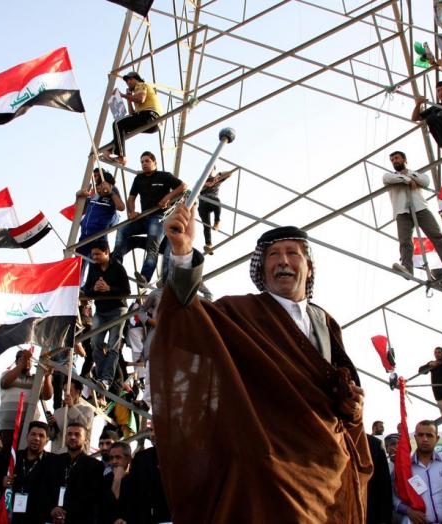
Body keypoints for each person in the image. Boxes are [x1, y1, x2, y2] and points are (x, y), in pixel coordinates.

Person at [152, 206, 373, 522]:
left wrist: (354, 407)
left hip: (325, 464)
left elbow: (341, 393)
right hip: (268, 462)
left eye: (293, 254)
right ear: (261, 268)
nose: (284, 261)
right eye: (274, 255)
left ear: (308, 267)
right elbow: (187, 318)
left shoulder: (326, 322)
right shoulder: (239, 313)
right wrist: (184, 253)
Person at [112, 151, 187, 286]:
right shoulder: (139, 179)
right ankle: (115, 264)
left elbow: (183, 186)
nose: (144, 164)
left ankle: (145, 277)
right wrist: (132, 212)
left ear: (154, 162)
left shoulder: (164, 176)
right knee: (122, 229)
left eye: (147, 161)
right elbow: (131, 199)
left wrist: (167, 197)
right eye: (142, 162)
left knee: (152, 245)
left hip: (158, 216)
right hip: (143, 216)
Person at [383, 151, 442, 277]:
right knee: (405, 241)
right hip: (402, 212)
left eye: (397, 158)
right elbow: (388, 178)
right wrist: (407, 180)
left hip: (421, 209)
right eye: (392, 160)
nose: (395, 161)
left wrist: (409, 176)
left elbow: (425, 181)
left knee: (436, 236)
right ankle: (407, 268)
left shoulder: (416, 173)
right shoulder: (389, 176)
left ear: (404, 159)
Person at [83, 240, 131, 390]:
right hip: (101, 312)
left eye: (97, 254)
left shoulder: (117, 267)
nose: (95, 257)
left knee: (113, 346)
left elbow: (126, 291)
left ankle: (106, 380)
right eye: (93, 254)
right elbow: (88, 290)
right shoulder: (93, 268)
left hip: (117, 310)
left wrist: (108, 288)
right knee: (95, 343)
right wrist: (95, 289)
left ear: (106, 252)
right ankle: (102, 376)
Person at [393, 420, 442, 524]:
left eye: (429, 435)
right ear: (415, 437)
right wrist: (408, 511)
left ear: (437, 438)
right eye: (421, 435)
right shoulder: (404, 468)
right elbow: (393, 497)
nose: (425, 439)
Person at [0, 348, 53, 452]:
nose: (27, 362)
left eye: (29, 360)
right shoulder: (7, 374)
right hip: (8, 428)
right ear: (17, 361)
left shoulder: (36, 379)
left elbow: (47, 396)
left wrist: (47, 376)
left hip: (29, 429)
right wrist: (21, 364)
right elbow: (5, 383)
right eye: (23, 359)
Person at [104, 72, 163, 165]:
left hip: (150, 115)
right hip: (153, 122)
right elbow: (132, 114)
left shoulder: (141, 85)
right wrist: (128, 98)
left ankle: (121, 156)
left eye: (131, 79)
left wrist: (122, 95)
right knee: (123, 129)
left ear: (137, 79)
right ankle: (110, 150)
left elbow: (141, 99)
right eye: (127, 81)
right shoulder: (136, 93)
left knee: (117, 123)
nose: (128, 82)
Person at [49, 422, 104, 524]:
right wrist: (52, 509)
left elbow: (93, 497)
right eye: (69, 434)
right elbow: (46, 488)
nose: (73, 437)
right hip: (52, 518)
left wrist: (66, 512)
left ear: (85, 439)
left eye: (77, 434)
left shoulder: (95, 465)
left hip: (79, 519)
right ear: (65, 437)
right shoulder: (54, 461)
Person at [5, 421, 58, 524]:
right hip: (12, 517)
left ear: (47, 440)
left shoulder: (54, 462)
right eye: (33, 434)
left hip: (38, 518)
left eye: (41, 436)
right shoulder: (13, 458)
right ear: (27, 436)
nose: (36, 438)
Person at [75, 168, 125, 276]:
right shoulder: (93, 194)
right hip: (84, 236)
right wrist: (78, 196)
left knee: (98, 266)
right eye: (95, 178)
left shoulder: (112, 192)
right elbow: (79, 210)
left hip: (99, 237)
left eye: (101, 183)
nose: (99, 187)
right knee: (78, 265)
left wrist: (111, 192)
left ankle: (95, 288)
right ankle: (79, 288)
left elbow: (121, 207)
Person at [47, 380, 95, 452]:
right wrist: (51, 426)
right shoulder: (58, 412)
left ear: (78, 392)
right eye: (65, 390)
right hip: (57, 454)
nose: (66, 393)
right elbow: (51, 436)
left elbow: (85, 425)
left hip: (78, 456)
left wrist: (71, 407)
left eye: (69, 390)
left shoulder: (87, 410)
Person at [198, 168, 232, 254]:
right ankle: (208, 244)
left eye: (211, 169)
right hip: (203, 203)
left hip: (212, 199)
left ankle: (217, 221)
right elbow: (196, 190)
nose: (209, 171)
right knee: (206, 226)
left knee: (216, 201)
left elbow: (229, 173)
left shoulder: (217, 178)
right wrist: (205, 185)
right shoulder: (202, 180)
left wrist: (218, 175)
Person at [99, 442, 133, 524]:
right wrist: (117, 480)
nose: (114, 461)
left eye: (118, 457)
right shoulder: (104, 480)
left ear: (128, 459)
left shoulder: (137, 479)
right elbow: (104, 508)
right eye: (111, 458)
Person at [366, 434, 392, 524]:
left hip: (369, 515)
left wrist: (384, 520)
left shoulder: (373, 444)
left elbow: (384, 487)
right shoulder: (323, 440)